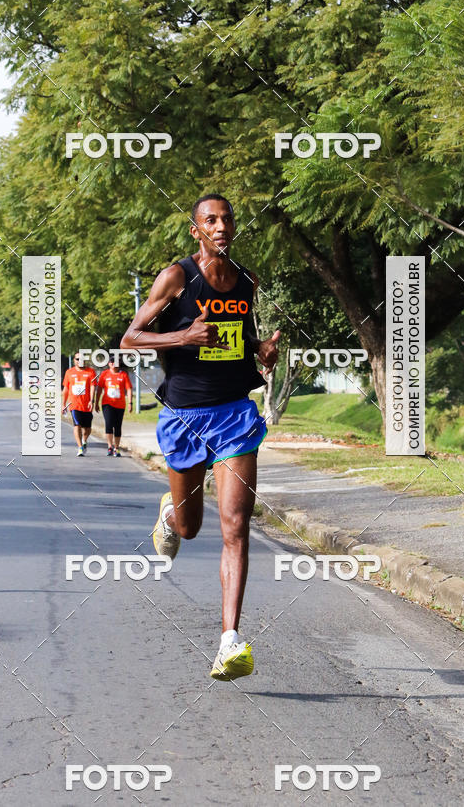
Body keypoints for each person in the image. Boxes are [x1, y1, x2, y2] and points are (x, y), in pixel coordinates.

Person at [121, 194, 280, 681]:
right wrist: (181, 338)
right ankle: (172, 513)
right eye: (210, 220)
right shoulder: (176, 277)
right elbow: (130, 339)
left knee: (236, 525)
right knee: (190, 530)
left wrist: (260, 349)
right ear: (196, 230)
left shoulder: (247, 280)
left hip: (235, 414)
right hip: (185, 415)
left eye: (226, 218)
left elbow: (238, 335)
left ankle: (230, 640)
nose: (221, 226)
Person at [94, 357, 133, 456]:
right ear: (109, 364)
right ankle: (110, 446)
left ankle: (117, 448)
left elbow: (129, 389)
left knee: (118, 426)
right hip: (107, 404)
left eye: (116, 362)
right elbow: (99, 389)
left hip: (120, 405)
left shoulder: (123, 375)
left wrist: (130, 403)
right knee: (109, 424)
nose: (114, 364)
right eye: (112, 362)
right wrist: (96, 403)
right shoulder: (104, 374)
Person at [62, 352, 97, 456]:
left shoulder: (91, 372)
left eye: (81, 359)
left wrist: (92, 400)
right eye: (77, 359)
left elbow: (93, 387)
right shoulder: (69, 372)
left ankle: (84, 440)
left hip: (86, 405)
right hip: (74, 404)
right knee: (77, 425)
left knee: (87, 429)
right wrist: (63, 404)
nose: (79, 361)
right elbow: (66, 389)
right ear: (74, 360)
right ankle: (80, 447)